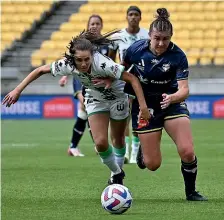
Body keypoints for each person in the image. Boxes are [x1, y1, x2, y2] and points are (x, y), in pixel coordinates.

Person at [2, 30, 150, 185]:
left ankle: (117, 178)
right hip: (95, 98)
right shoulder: (67, 65)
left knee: (118, 139)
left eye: (87, 59)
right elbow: (40, 70)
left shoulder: (103, 64)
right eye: (79, 60)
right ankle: (117, 173)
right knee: (100, 143)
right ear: (73, 59)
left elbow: (132, 79)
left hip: (117, 96)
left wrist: (143, 107)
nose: (84, 63)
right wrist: (17, 90)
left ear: (93, 55)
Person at [123, 8, 207, 200]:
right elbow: (122, 71)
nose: (161, 43)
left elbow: (185, 89)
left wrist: (173, 98)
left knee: (187, 151)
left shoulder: (178, 56)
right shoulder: (135, 50)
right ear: (149, 36)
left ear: (171, 37)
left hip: (171, 102)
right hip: (145, 105)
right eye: (157, 38)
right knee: (152, 165)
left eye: (166, 39)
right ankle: (144, 152)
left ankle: (191, 192)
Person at [59, 15, 109, 157]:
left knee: (84, 113)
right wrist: (64, 76)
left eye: (97, 23)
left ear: (102, 25)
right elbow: (70, 59)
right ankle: (97, 145)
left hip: (96, 82)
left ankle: (74, 146)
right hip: (80, 81)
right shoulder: (82, 43)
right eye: (92, 23)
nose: (95, 26)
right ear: (88, 25)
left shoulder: (106, 44)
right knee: (88, 107)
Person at [108, 6, 149, 164]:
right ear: (127, 17)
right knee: (124, 114)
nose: (133, 17)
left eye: (136, 15)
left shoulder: (146, 35)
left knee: (138, 114)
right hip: (123, 79)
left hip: (142, 80)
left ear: (140, 17)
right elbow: (111, 57)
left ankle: (135, 152)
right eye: (130, 14)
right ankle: (124, 151)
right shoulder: (118, 36)